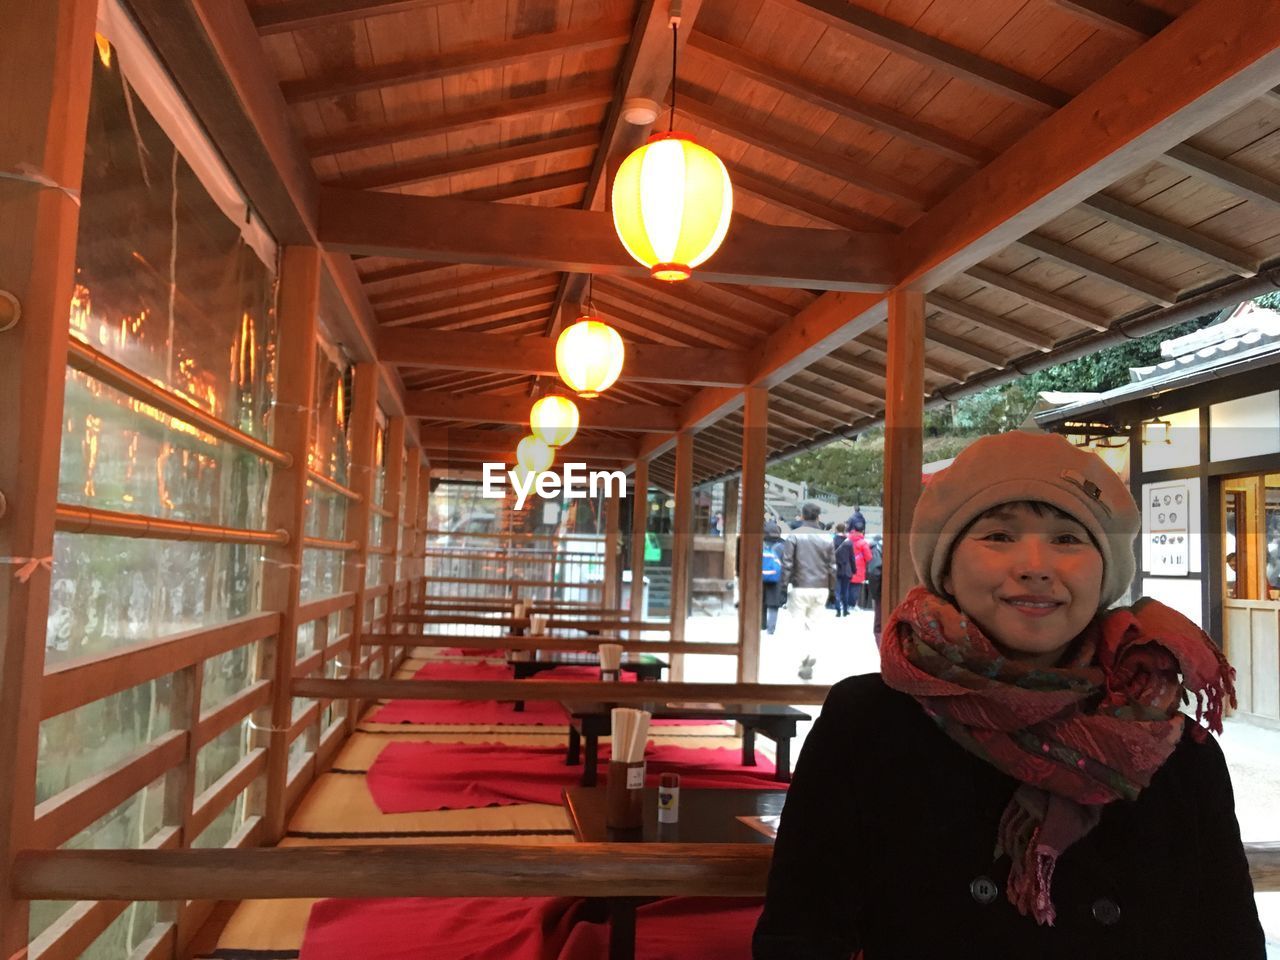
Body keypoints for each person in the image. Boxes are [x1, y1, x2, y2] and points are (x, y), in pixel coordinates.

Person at [755, 432, 1264, 959]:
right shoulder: (868, 722)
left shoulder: (1169, 745)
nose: (1036, 565)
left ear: (1105, 571)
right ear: (946, 568)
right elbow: (802, 933)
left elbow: (1226, 938)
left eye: (1068, 539)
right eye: (999, 536)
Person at [782, 502, 836, 677]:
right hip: (821, 586)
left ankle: (802, 658)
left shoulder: (794, 536)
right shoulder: (827, 538)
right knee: (814, 624)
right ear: (818, 517)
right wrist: (832, 587)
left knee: (798, 625)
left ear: (802, 516)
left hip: (801, 586)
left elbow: (787, 563)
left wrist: (784, 585)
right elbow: (832, 567)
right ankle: (812, 654)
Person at [762, 521, 788, 635]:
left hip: (761, 577)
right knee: (773, 604)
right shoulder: (783, 545)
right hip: (777, 579)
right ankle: (771, 628)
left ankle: (762, 624)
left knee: (761, 602)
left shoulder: (761, 544)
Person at [844, 516, 873, 614]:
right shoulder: (863, 543)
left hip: (846, 567)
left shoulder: (847, 540)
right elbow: (869, 557)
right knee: (855, 588)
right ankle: (852, 605)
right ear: (862, 531)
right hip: (858, 569)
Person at [833, 524, 852, 617]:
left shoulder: (833, 540)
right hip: (847, 568)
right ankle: (845, 609)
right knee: (845, 591)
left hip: (836, 568)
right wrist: (854, 569)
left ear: (836, 529)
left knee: (837, 590)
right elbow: (852, 557)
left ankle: (837, 610)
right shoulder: (848, 542)